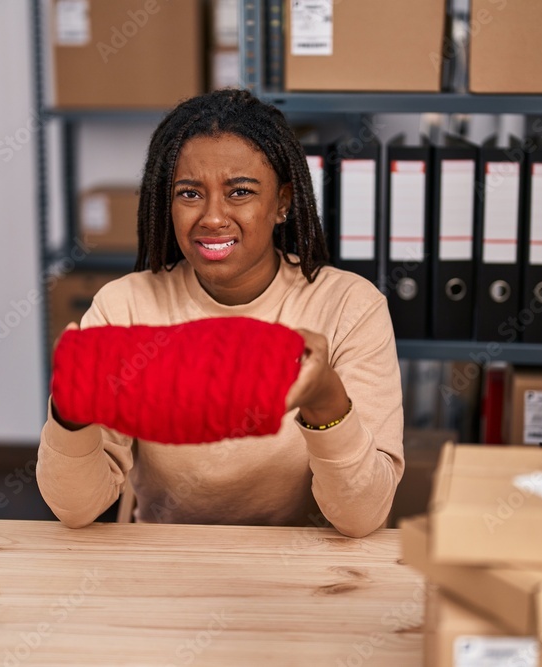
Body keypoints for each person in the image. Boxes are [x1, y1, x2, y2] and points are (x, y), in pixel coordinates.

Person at [36, 89, 404, 538]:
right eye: (190, 193)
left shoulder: (350, 307)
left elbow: (363, 517)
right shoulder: (124, 306)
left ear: (283, 202)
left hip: (304, 569)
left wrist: (325, 398)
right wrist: (70, 413)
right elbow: (75, 510)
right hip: (167, 560)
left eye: (240, 192)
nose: (212, 217)